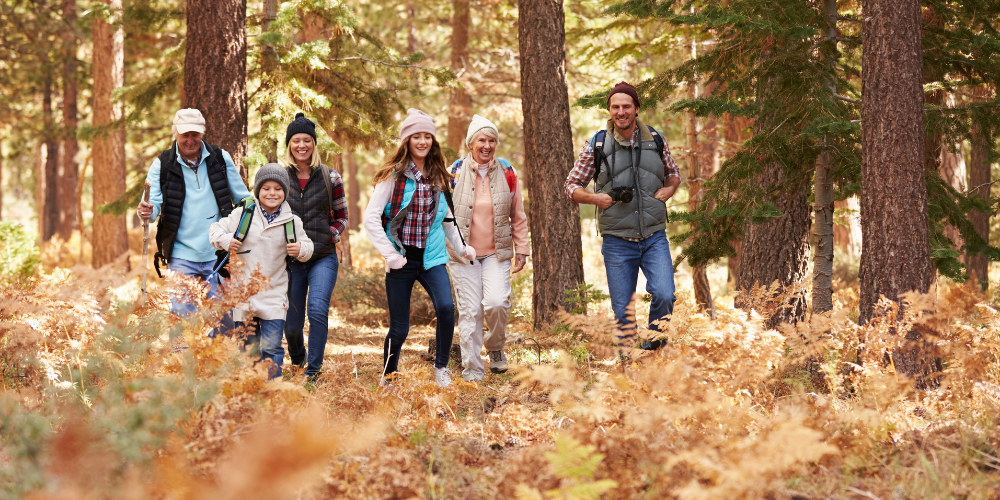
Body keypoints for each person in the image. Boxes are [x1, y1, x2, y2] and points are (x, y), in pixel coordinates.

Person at [363, 108, 476, 388]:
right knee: (400, 327)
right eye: (417, 137)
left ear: (433, 141)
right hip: (401, 258)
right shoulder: (394, 176)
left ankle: (441, 369)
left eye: (428, 136)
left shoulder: (439, 175)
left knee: (447, 308)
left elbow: (447, 219)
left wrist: (462, 248)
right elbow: (370, 218)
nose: (422, 142)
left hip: (432, 258)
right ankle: (389, 376)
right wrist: (390, 255)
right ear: (407, 141)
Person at [564, 82, 681, 348]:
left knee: (664, 295)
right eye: (615, 107)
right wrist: (594, 198)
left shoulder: (656, 139)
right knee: (623, 312)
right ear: (609, 110)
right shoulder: (597, 144)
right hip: (617, 241)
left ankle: (651, 352)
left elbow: (674, 173)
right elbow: (570, 186)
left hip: (654, 236)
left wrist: (670, 188)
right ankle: (629, 369)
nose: (621, 111)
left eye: (626, 106)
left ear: (636, 109)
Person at [137, 108, 252, 334]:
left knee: (225, 318)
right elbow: (151, 209)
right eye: (184, 135)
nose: (190, 140)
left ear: (203, 133)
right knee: (181, 317)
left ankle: (214, 366)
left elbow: (243, 198)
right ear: (175, 134)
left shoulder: (220, 158)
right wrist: (146, 211)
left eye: (195, 134)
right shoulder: (162, 164)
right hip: (181, 254)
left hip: (218, 254)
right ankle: (182, 367)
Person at [208, 164, 313, 379]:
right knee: (247, 349)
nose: (272, 193)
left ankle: (273, 392)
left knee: (272, 348)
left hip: (274, 294)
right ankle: (251, 392)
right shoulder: (243, 215)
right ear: (258, 191)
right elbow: (214, 230)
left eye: (277, 189)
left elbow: (308, 246)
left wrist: (301, 249)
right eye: (266, 188)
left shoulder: (292, 222)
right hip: (243, 294)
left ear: (285, 191)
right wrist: (227, 240)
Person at [446, 115, 529, 382]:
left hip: (497, 252)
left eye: (491, 140)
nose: (487, 145)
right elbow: (441, 216)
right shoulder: (453, 172)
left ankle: (495, 348)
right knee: (471, 311)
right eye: (482, 140)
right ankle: (473, 373)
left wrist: (522, 248)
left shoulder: (507, 172)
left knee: (496, 303)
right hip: (462, 255)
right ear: (471, 143)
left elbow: (518, 214)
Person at [280, 112, 349, 380]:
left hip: (322, 257)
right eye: (296, 140)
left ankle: (314, 371)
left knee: (318, 310)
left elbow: (342, 216)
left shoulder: (331, 177)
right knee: (293, 325)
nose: (301, 146)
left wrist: (330, 235)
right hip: (292, 261)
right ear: (289, 144)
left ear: (314, 144)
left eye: (307, 140)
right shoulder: (280, 177)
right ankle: (298, 358)